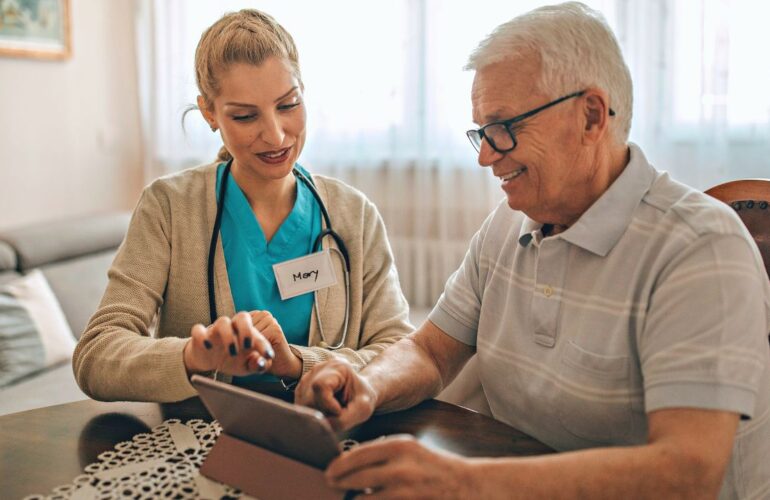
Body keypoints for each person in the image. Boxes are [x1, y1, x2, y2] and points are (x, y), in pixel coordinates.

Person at [295, 3, 770, 499]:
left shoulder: (701, 248)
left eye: (504, 127)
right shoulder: (509, 222)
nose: (484, 156)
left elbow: (686, 475)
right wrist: (367, 384)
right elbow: (430, 351)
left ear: (590, 115)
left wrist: (463, 482)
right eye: (480, 131)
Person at [72, 9, 411, 402]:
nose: (276, 134)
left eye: (288, 105)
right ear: (210, 113)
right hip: (202, 439)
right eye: (246, 116)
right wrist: (191, 356)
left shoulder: (355, 215)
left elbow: (400, 354)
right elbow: (95, 355)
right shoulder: (168, 208)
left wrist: (299, 364)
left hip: (329, 433)